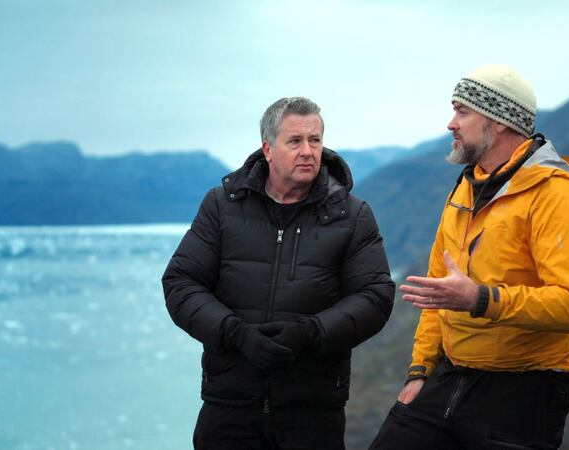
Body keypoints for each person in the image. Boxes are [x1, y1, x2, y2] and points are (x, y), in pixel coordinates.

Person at [369, 64, 569, 450]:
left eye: (462, 111)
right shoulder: (465, 188)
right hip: (447, 378)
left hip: (522, 394)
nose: (450, 124)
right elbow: (436, 295)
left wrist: (480, 299)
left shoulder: (556, 195)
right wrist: (420, 370)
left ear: (500, 121)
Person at [162, 96, 395, 450]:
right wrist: (235, 333)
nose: (308, 151)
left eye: (315, 140)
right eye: (295, 141)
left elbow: (375, 297)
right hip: (229, 404)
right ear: (268, 149)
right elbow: (181, 283)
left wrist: (311, 332)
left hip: (313, 410)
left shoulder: (353, 214)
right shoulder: (222, 205)